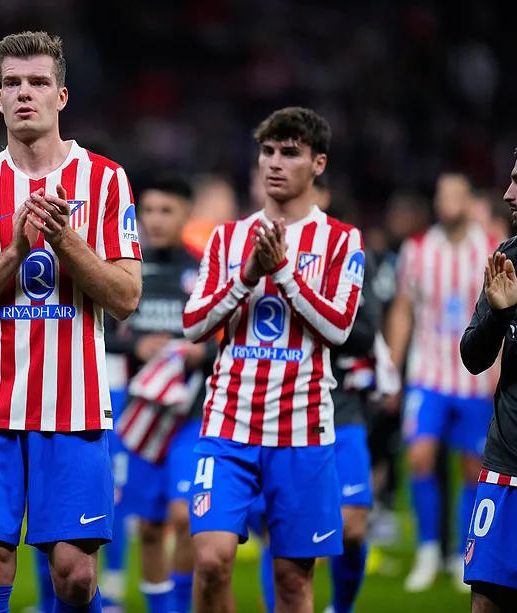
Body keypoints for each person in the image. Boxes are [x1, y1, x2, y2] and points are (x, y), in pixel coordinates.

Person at [0, 31, 142, 612]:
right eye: (12, 84)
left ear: (63, 96)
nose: (25, 94)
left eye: (38, 82)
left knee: (74, 575)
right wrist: (12, 256)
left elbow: (126, 297)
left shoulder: (105, 180)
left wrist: (65, 242)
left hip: (74, 405)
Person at [182, 107, 363, 613]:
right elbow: (193, 324)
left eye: (291, 153)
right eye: (268, 152)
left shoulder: (341, 241)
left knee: (291, 582)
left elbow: (338, 328)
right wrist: (246, 275)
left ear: (318, 163)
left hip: (302, 429)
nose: (275, 163)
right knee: (212, 560)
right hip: (227, 425)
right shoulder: (226, 238)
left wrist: (282, 272)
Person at [251, 178, 383, 613]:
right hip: (275, 409)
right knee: (278, 530)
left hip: (340, 409)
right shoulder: (245, 245)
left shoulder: (348, 254)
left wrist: (311, 311)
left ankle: (340, 607)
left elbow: (362, 333)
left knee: (353, 529)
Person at [384, 173, 499, 592]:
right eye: (440, 194)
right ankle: (429, 551)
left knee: (473, 470)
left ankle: (460, 556)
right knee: (420, 457)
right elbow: (402, 309)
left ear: (469, 202)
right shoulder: (417, 251)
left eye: (454, 194)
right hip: (427, 374)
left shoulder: (490, 248)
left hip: (475, 377)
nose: (445, 201)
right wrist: (394, 368)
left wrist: (500, 371)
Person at [110, 175, 214, 613]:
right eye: (147, 211)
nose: (154, 220)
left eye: (166, 211)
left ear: (187, 215)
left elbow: (226, 337)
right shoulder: (127, 268)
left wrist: (200, 351)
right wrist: (138, 345)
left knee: (183, 517)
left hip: (192, 414)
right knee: (150, 527)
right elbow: (98, 331)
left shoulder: (205, 268)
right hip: (143, 416)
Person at [460, 154, 517, 612]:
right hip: (506, 464)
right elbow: (473, 357)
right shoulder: (508, 259)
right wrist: (498, 315)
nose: (508, 195)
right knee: (486, 604)